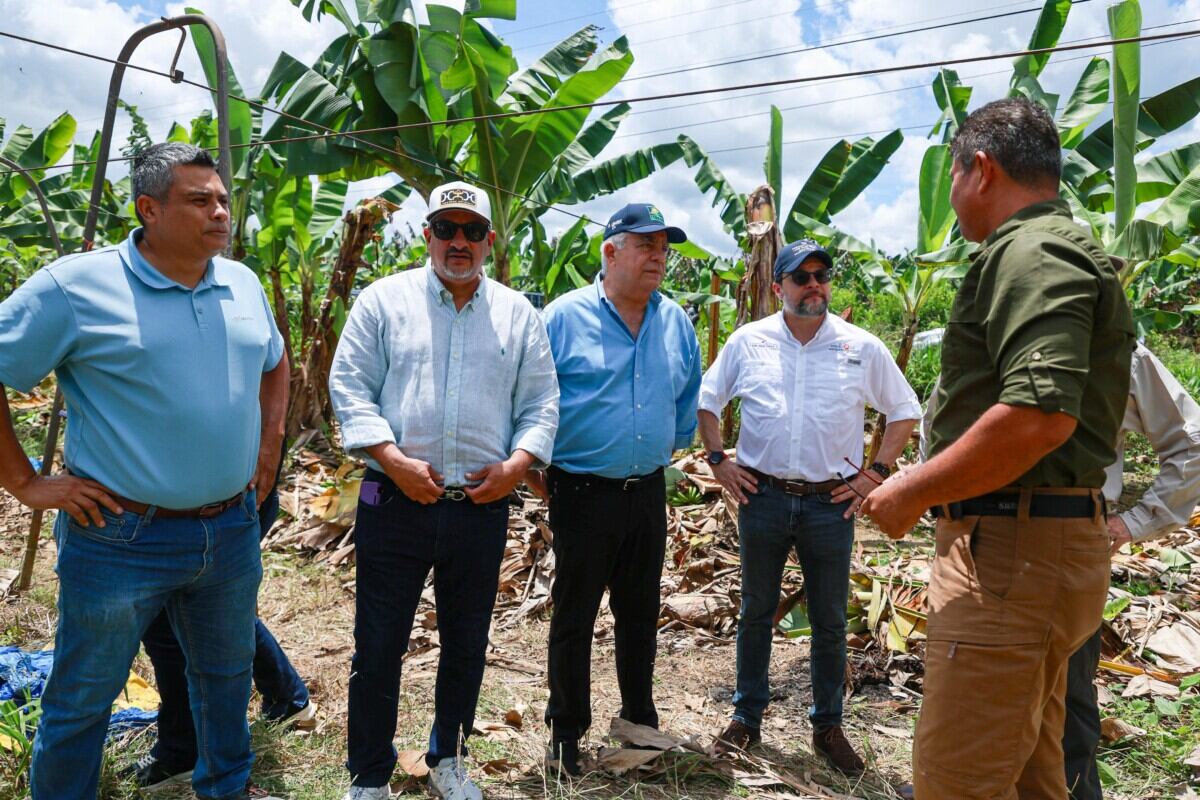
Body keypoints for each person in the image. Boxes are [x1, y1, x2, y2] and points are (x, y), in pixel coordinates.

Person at [861, 97, 1135, 799]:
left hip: (1013, 556)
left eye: (952, 176)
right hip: (1028, 549)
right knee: (1031, 777)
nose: (951, 195)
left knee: (958, 781)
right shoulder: (1041, 248)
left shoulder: (1033, 251)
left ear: (980, 170)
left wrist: (912, 489)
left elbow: (1038, 415)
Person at [0, 142, 288, 800]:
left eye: (223, 199)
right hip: (121, 537)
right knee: (83, 697)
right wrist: (25, 483)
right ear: (148, 210)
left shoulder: (240, 282)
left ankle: (226, 788)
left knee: (225, 681)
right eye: (200, 200)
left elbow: (275, 360)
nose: (220, 212)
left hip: (230, 530)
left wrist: (269, 445)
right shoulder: (76, 287)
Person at [328, 180, 559, 800]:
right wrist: (391, 459)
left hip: (480, 505)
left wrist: (516, 467)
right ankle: (369, 776)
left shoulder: (518, 313)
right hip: (392, 499)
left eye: (472, 231)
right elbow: (349, 386)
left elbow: (541, 403)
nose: (460, 242)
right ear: (428, 235)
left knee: (466, 640)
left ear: (489, 240)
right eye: (447, 229)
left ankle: (448, 759)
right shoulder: (384, 301)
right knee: (378, 642)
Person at [698, 239, 921, 774]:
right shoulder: (749, 341)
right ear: (779, 287)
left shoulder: (860, 347)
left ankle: (828, 727)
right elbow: (708, 399)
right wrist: (718, 460)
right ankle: (746, 718)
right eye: (802, 277)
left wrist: (875, 474)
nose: (814, 285)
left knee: (828, 620)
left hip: (829, 505)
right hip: (763, 498)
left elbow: (904, 410)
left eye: (822, 275)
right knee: (756, 612)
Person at [529, 203, 702, 777]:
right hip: (581, 490)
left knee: (640, 610)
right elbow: (530, 398)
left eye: (664, 247)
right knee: (574, 615)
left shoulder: (674, 320)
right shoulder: (563, 318)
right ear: (610, 251)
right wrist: (536, 474)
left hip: (646, 491)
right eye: (646, 245)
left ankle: (638, 717)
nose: (659, 257)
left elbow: (686, 397)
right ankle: (565, 732)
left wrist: (663, 449)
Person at [125, 438, 315, 791]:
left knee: (188, 613)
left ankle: (184, 751)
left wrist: (269, 444)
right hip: (191, 479)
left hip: (220, 484)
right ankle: (284, 696)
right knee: (208, 607)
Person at [1063, 342, 1200, 799]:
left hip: (1074, 535)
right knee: (978, 679)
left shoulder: (1112, 347)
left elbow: (1191, 439)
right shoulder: (980, 332)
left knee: (1067, 688)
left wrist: (1135, 522)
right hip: (979, 537)